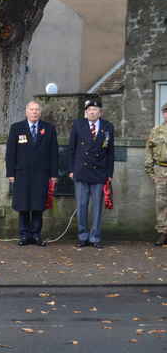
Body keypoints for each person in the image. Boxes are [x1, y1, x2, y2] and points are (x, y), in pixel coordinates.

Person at [5, 101, 59, 246]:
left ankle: (36, 235)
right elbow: (11, 153)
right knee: (23, 206)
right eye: (31, 109)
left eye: (37, 110)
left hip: (41, 174)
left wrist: (54, 174)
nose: (34, 112)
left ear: (40, 112)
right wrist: (11, 173)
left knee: (37, 206)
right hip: (22, 174)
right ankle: (24, 235)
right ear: (26, 112)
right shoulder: (17, 128)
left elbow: (54, 153)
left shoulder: (49, 128)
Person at [68, 98, 115, 249]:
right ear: (85, 112)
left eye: (95, 110)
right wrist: (71, 170)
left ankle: (95, 237)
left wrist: (109, 173)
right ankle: (82, 236)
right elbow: (71, 149)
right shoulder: (78, 125)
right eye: (89, 110)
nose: (92, 112)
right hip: (81, 171)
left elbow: (110, 152)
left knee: (97, 207)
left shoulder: (108, 126)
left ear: (100, 112)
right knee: (81, 206)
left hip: (100, 172)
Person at [146, 102, 167, 247]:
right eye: (166, 111)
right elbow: (149, 151)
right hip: (161, 170)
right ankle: (163, 233)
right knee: (161, 203)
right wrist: (150, 171)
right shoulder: (156, 131)